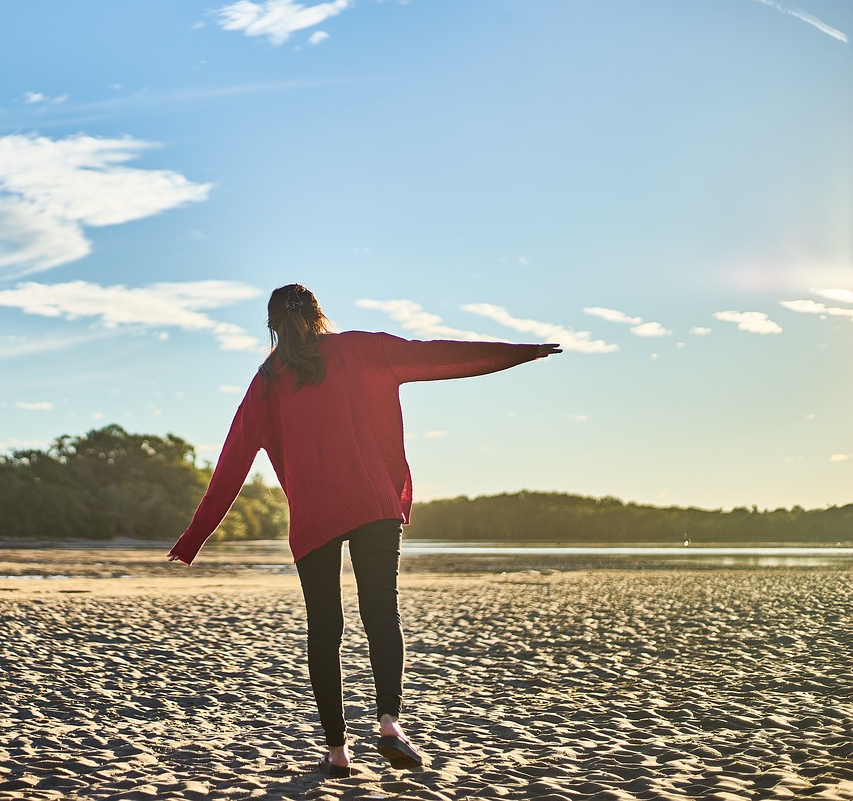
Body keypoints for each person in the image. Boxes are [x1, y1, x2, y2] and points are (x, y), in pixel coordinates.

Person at [167, 283, 561, 777]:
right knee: (381, 611)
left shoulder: (267, 379)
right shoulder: (362, 349)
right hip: (373, 504)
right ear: (319, 315)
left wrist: (194, 538)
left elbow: (233, 462)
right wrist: (519, 353)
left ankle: (337, 752)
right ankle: (390, 723)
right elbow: (442, 357)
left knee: (324, 629)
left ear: (271, 326)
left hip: (314, 516)